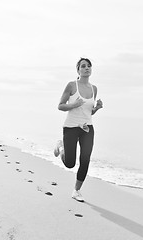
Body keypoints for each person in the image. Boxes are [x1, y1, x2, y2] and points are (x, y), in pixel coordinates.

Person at [54, 58, 103, 202]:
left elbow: (88, 112)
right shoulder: (71, 85)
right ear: (78, 70)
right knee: (70, 163)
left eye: (89, 66)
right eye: (83, 66)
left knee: (85, 160)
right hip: (71, 127)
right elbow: (61, 106)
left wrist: (97, 108)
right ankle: (60, 145)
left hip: (88, 128)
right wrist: (74, 104)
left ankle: (76, 191)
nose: (86, 68)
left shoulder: (94, 88)